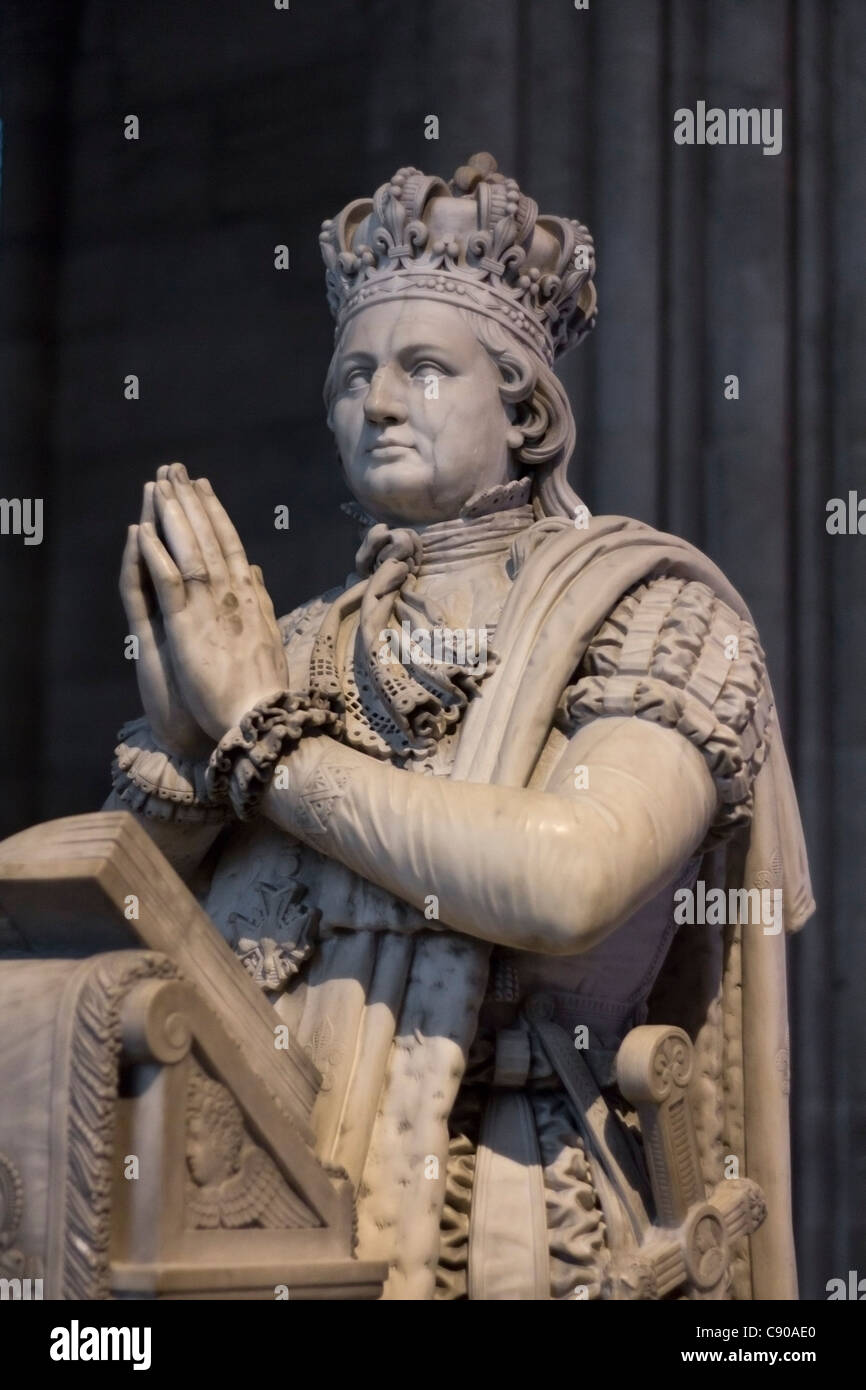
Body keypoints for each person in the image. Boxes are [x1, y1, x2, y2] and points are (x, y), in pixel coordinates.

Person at [108, 153, 813, 1300]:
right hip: (261, 1213)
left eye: (422, 369)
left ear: (526, 408)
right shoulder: (281, 648)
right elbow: (110, 949)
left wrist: (263, 748)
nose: (375, 402)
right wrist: (187, 764)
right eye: (352, 376)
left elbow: (567, 877)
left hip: (511, 1212)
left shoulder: (655, 614)